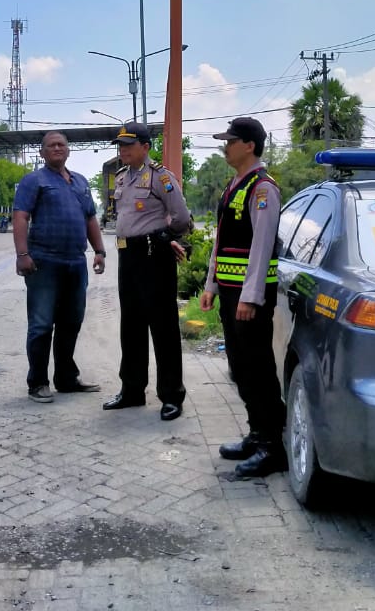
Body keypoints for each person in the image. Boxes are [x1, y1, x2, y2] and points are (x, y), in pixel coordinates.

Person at [199, 116, 287, 478]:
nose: (225, 147)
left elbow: (262, 248)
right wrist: (211, 285)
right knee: (241, 367)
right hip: (231, 293)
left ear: (249, 145)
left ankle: (272, 447)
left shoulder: (263, 188)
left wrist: (251, 297)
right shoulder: (234, 185)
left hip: (250, 299)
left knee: (258, 368)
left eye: (230, 141)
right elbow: (221, 242)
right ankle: (256, 433)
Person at [102, 122, 193, 422]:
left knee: (163, 326)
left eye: (129, 144)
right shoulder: (122, 177)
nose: (123, 150)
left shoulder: (160, 177)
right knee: (131, 325)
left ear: (145, 147)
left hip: (154, 254)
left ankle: (171, 395)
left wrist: (165, 237)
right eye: (120, 145)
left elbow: (181, 217)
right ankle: (132, 390)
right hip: (127, 255)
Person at [12, 130, 108, 403]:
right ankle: (37, 383)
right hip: (44, 262)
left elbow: (90, 218)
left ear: (68, 150)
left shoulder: (80, 182)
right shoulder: (34, 181)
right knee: (41, 324)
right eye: (51, 145)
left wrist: (99, 251)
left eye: (61, 145)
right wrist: (22, 254)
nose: (57, 148)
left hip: (75, 262)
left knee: (71, 322)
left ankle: (66, 379)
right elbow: (20, 216)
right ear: (42, 152)